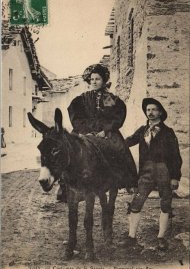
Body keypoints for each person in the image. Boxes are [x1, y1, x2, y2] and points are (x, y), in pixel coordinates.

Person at [57, 64, 137, 201]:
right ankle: (65, 187)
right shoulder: (81, 99)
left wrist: (105, 130)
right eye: (92, 79)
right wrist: (86, 131)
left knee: (119, 148)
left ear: (104, 80)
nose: (94, 82)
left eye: (97, 79)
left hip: (105, 132)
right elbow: (76, 118)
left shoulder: (109, 98)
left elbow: (116, 117)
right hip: (84, 131)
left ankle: (124, 182)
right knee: (69, 149)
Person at [123, 98, 182, 250]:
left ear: (160, 112)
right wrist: (113, 140)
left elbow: (176, 156)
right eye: (148, 110)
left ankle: (161, 237)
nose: (150, 112)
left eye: (154, 109)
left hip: (164, 170)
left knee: (165, 203)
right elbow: (128, 141)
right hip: (146, 170)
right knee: (137, 202)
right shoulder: (143, 130)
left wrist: (175, 177)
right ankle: (131, 237)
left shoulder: (168, 132)